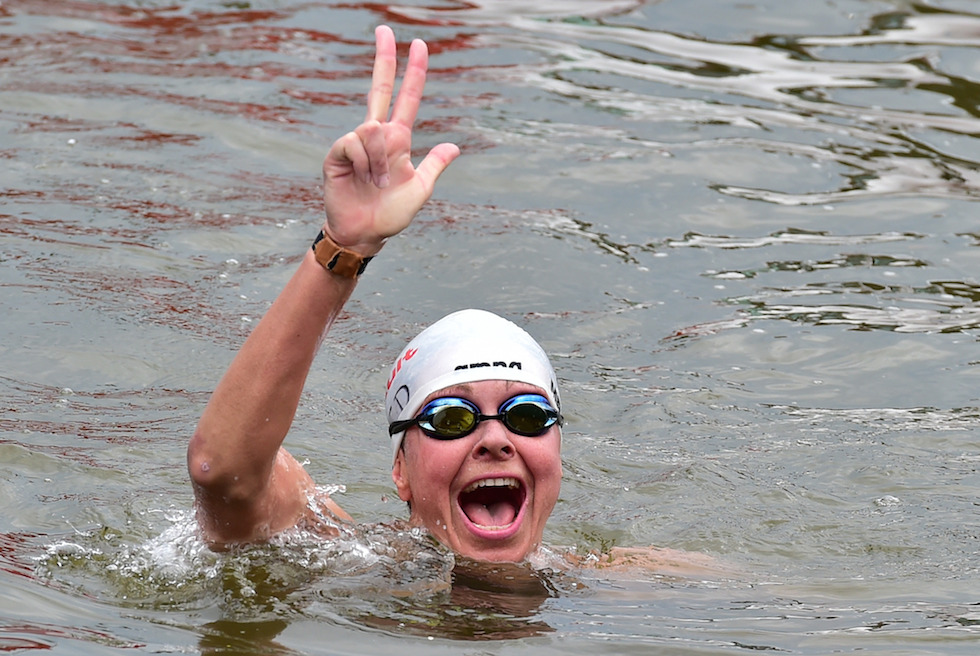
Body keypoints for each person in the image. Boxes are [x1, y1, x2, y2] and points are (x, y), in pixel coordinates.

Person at [188, 26, 723, 574]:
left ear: (558, 458)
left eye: (528, 415)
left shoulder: (633, 580)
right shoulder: (354, 567)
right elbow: (222, 469)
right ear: (401, 471)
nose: (495, 439)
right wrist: (343, 249)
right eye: (450, 418)